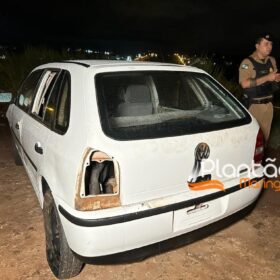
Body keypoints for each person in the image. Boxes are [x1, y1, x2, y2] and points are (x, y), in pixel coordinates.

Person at [239, 33, 280, 144]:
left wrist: (276, 78)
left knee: (264, 140)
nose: (269, 47)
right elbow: (244, 84)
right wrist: (267, 77)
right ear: (257, 46)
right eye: (266, 44)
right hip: (254, 106)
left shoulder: (272, 60)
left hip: (269, 106)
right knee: (252, 140)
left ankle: (261, 161)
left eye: (271, 44)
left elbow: (273, 77)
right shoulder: (247, 63)